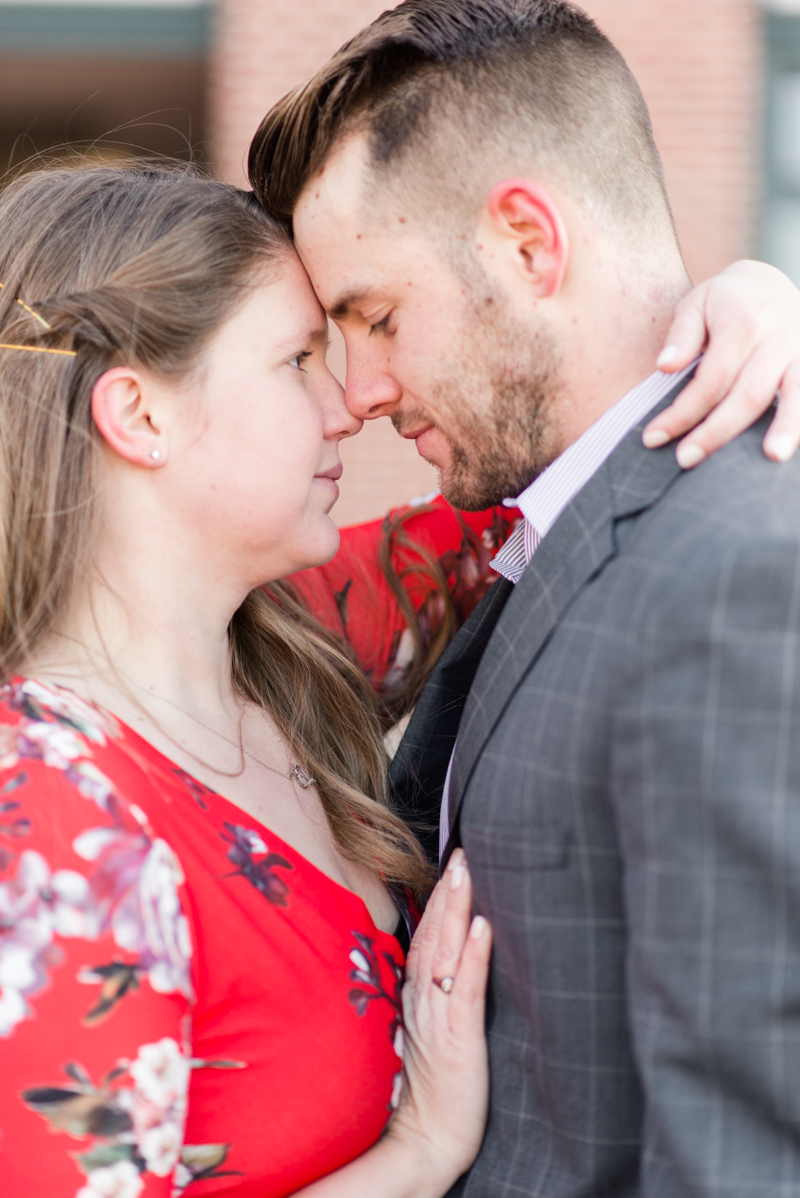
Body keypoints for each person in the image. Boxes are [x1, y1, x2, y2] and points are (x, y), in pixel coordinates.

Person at [248, 1, 800, 1194]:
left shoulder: (737, 573)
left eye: (375, 318)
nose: (363, 391)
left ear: (526, 245)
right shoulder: (520, 540)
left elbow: (749, 1143)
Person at [0, 163, 495, 1198]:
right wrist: (419, 1153)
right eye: (297, 359)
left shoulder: (295, 642)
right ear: (138, 415)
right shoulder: (45, 815)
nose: (347, 406)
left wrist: (743, 314)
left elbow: (553, 481)